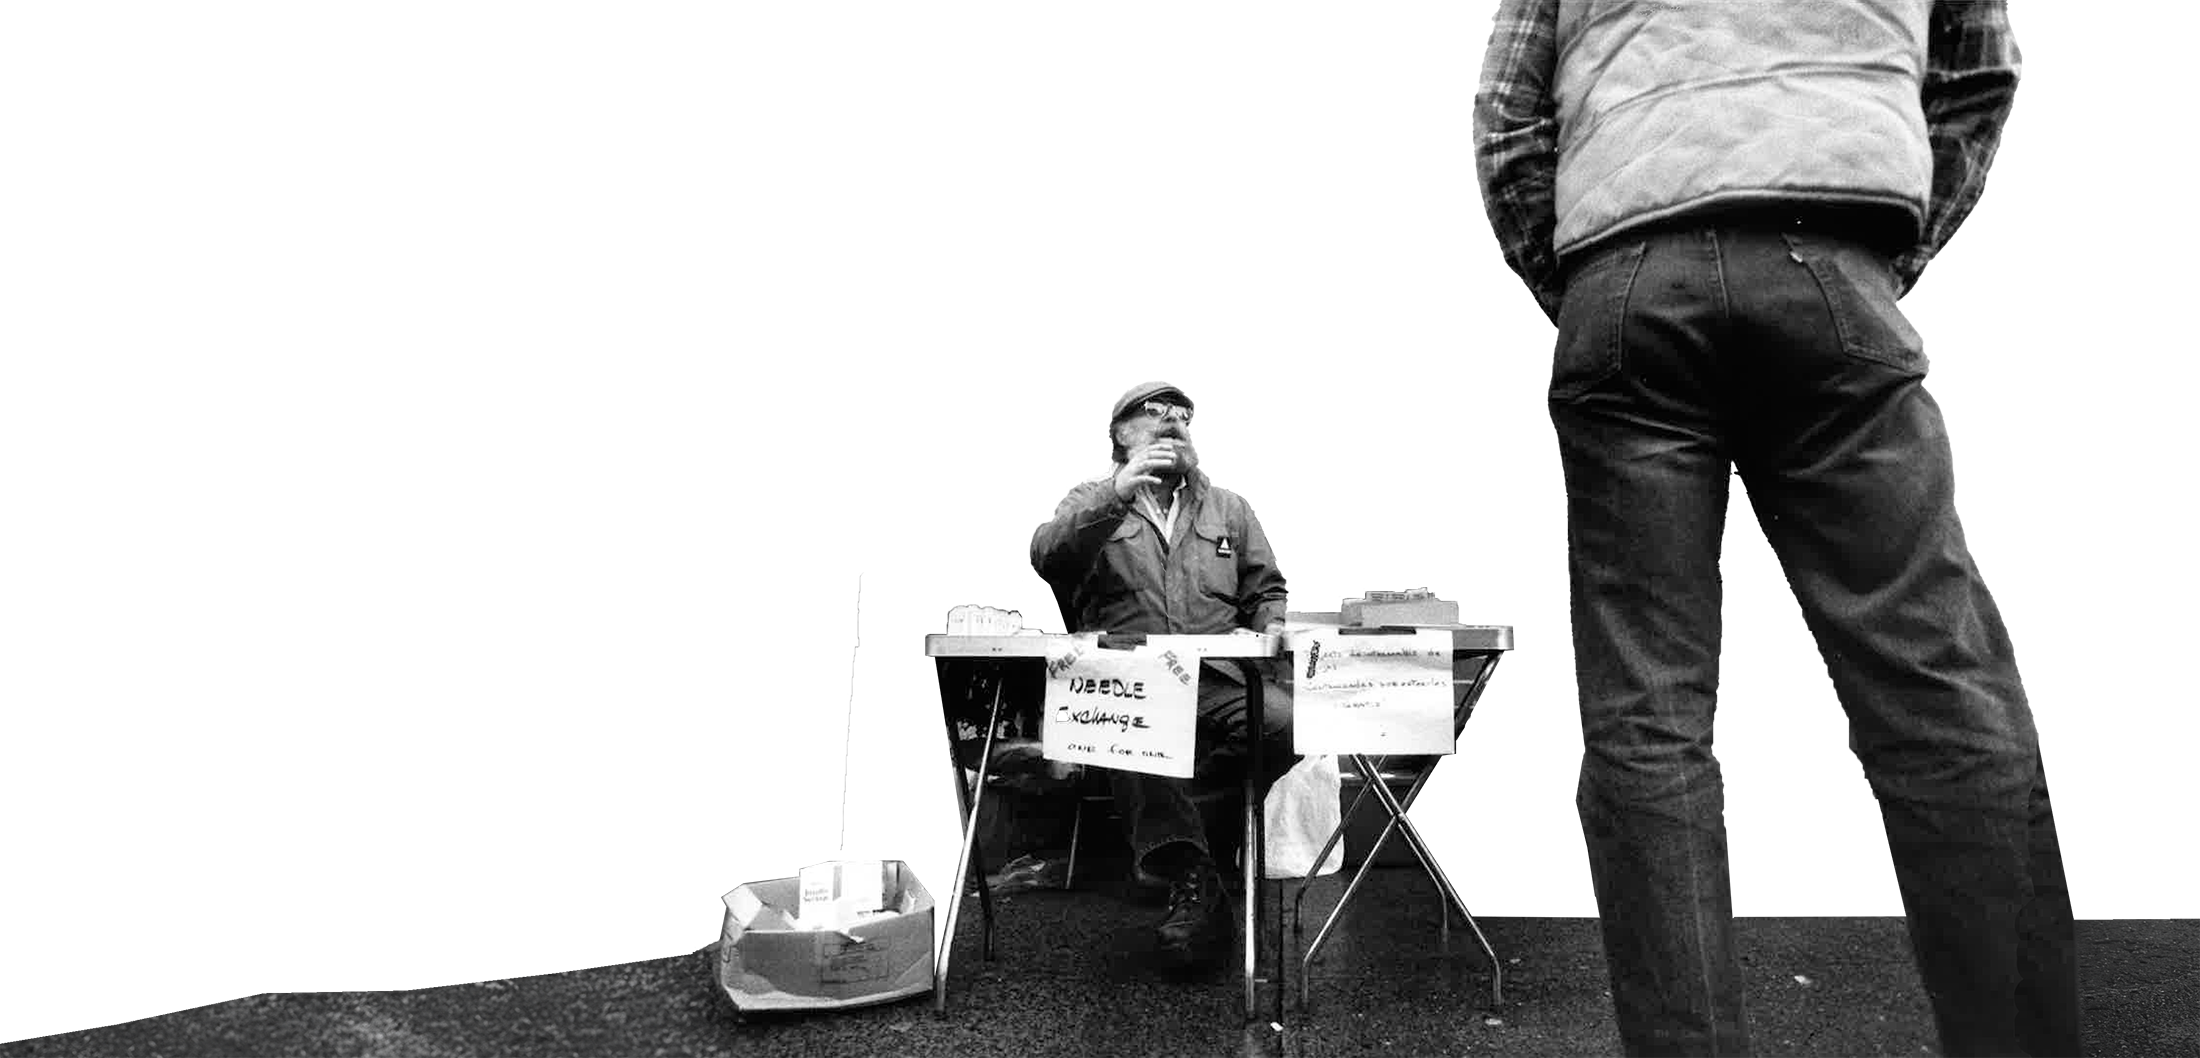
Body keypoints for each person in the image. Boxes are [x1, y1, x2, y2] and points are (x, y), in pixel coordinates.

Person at [1474, 2, 2077, 1056]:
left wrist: (1586, 293)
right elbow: (1977, 73)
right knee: (1933, 684)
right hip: (1828, 245)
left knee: (1647, 707)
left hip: (1626, 270)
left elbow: (1506, 124)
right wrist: (1881, 258)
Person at [1027, 382, 1295, 968]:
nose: (1174, 421)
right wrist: (1115, 496)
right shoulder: (1091, 499)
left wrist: (1270, 629)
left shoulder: (1229, 509)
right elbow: (1047, 557)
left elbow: (1266, 591)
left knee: (1291, 723)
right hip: (1131, 679)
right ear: (1122, 436)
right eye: (1156, 414)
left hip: (1218, 677)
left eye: (1183, 416)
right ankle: (1195, 875)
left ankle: (1192, 835)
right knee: (1129, 736)